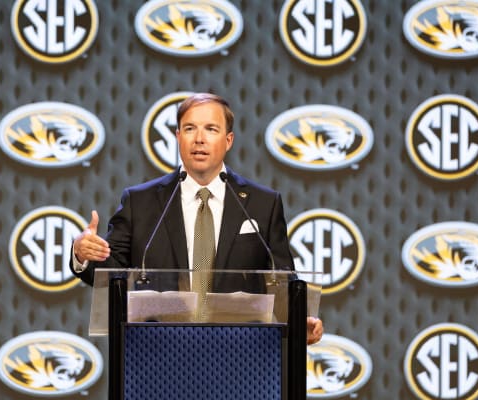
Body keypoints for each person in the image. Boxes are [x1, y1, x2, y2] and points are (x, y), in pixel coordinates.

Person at [70, 92, 323, 344]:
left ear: (228, 140)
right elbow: (111, 272)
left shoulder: (262, 204)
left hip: (241, 355)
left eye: (211, 129)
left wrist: (299, 319)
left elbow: (282, 277)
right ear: (178, 137)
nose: (199, 139)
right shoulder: (140, 202)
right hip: (157, 354)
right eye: (190, 129)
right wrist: (83, 254)